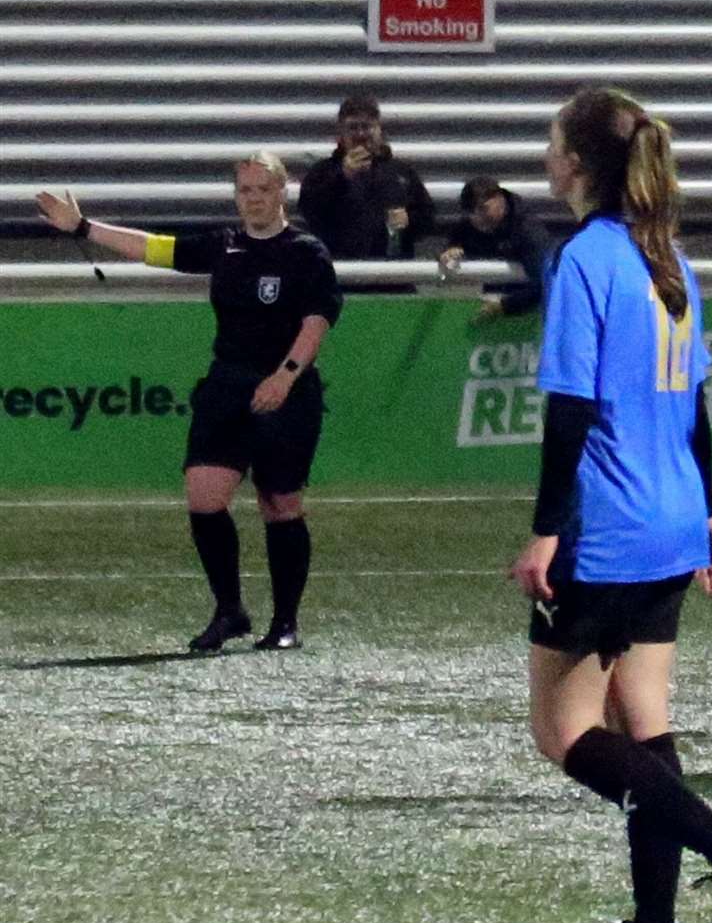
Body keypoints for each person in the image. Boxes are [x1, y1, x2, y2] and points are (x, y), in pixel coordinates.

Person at [508, 85, 712, 923]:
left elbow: (571, 410)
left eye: (552, 144)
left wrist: (549, 531)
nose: (545, 159)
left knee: (564, 731)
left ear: (578, 164)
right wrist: (705, 509)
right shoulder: (669, 259)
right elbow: (696, 407)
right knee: (643, 721)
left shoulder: (584, 258)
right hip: (669, 521)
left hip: (609, 528)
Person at [36, 153, 341, 654]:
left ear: (282, 193)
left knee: (279, 502)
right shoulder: (226, 246)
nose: (253, 199)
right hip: (226, 385)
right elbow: (156, 249)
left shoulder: (305, 252)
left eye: (263, 189)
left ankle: (285, 622)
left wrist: (285, 376)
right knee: (203, 496)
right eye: (245, 190)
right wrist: (83, 227)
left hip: (285, 388)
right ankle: (230, 610)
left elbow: (318, 318)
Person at [297, 94, 435, 291]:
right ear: (340, 132)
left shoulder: (401, 172)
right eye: (353, 127)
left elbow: (428, 217)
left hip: (394, 284)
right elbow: (310, 212)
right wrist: (342, 177)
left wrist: (409, 219)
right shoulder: (323, 172)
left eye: (367, 126)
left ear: (379, 129)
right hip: (339, 282)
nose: (361, 134)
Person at [438, 175, 556, 320]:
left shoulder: (528, 231)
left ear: (500, 199)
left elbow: (547, 282)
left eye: (483, 209)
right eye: (471, 212)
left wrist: (505, 305)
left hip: (532, 310)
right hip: (494, 302)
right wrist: (451, 248)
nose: (477, 218)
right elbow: (452, 241)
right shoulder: (471, 223)